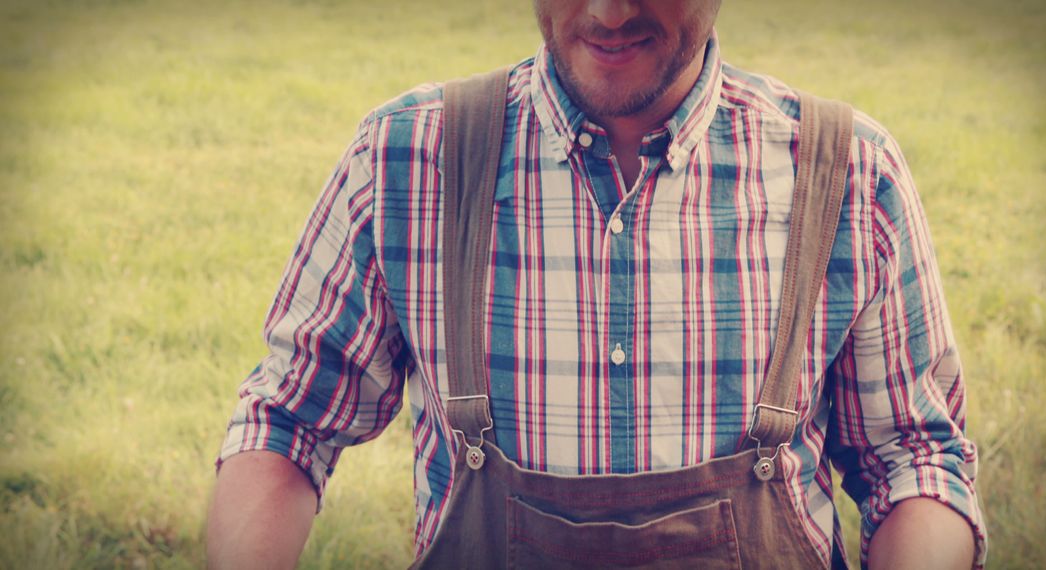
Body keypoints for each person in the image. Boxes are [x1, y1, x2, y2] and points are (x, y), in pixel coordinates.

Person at [207, 1, 986, 568]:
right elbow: (290, 422)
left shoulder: (847, 171)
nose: (611, 11)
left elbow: (911, 457)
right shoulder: (406, 159)